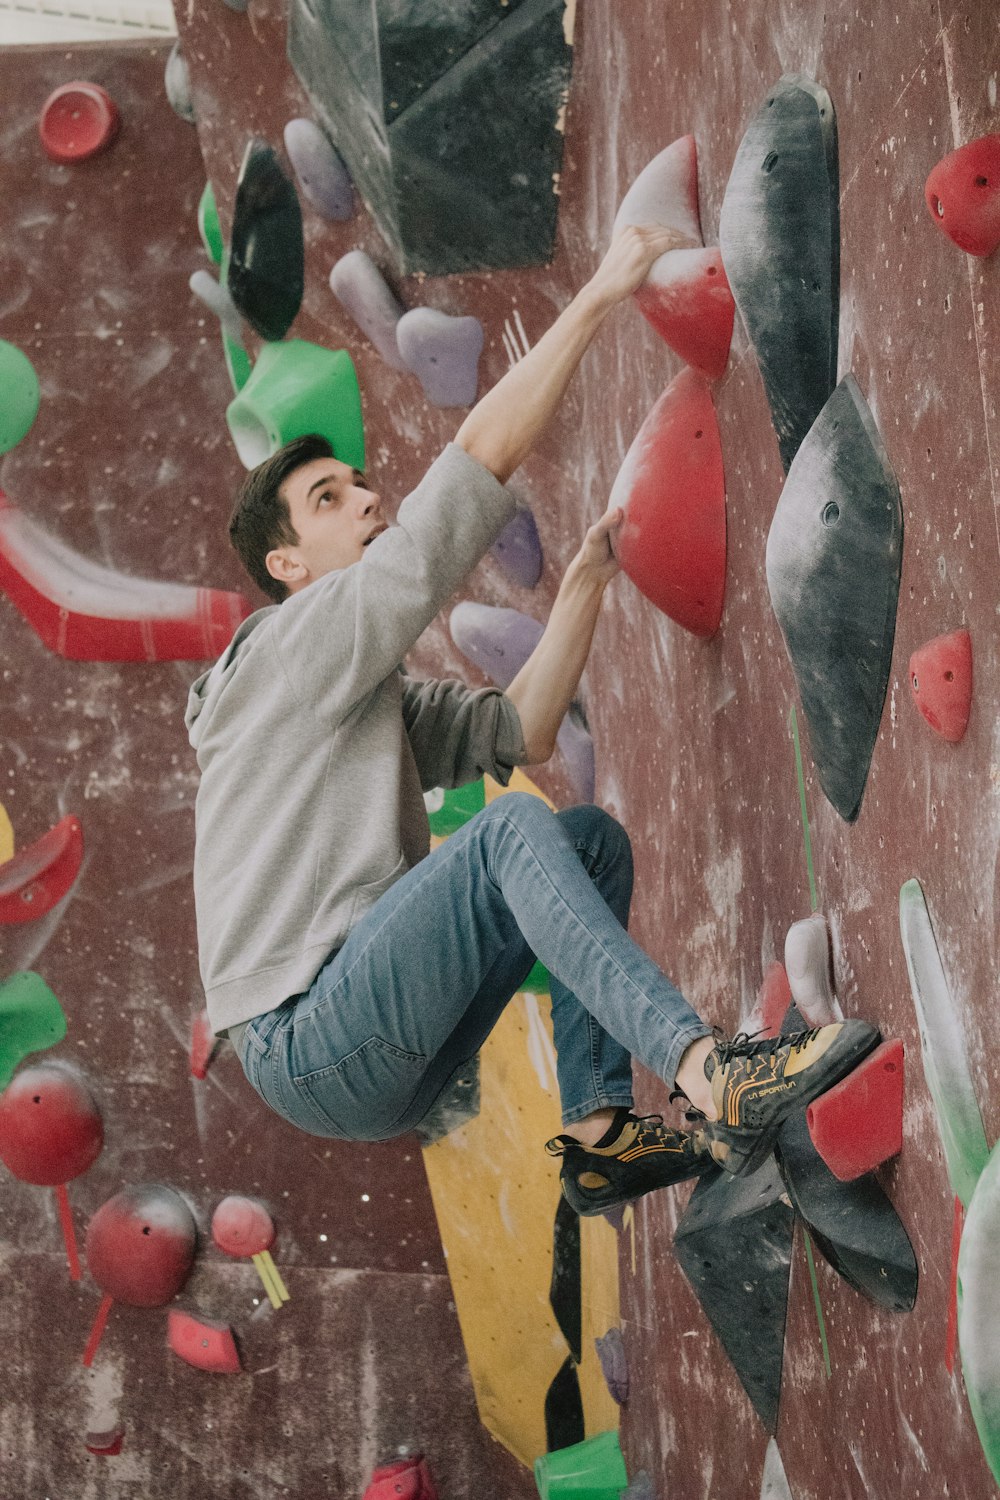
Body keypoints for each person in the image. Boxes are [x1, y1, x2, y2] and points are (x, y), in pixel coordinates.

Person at [186, 225, 878, 1218]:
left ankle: (602, 1141)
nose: (366, 497)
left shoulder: (343, 698)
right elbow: (472, 468)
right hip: (308, 1033)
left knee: (582, 840)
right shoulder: (288, 650)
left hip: (349, 1055)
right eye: (328, 501)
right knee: (507, 831)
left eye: (355, 481)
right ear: (286, 568)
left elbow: (523, 731)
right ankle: (707, 1071)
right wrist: (601, 291)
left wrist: (586, 586)